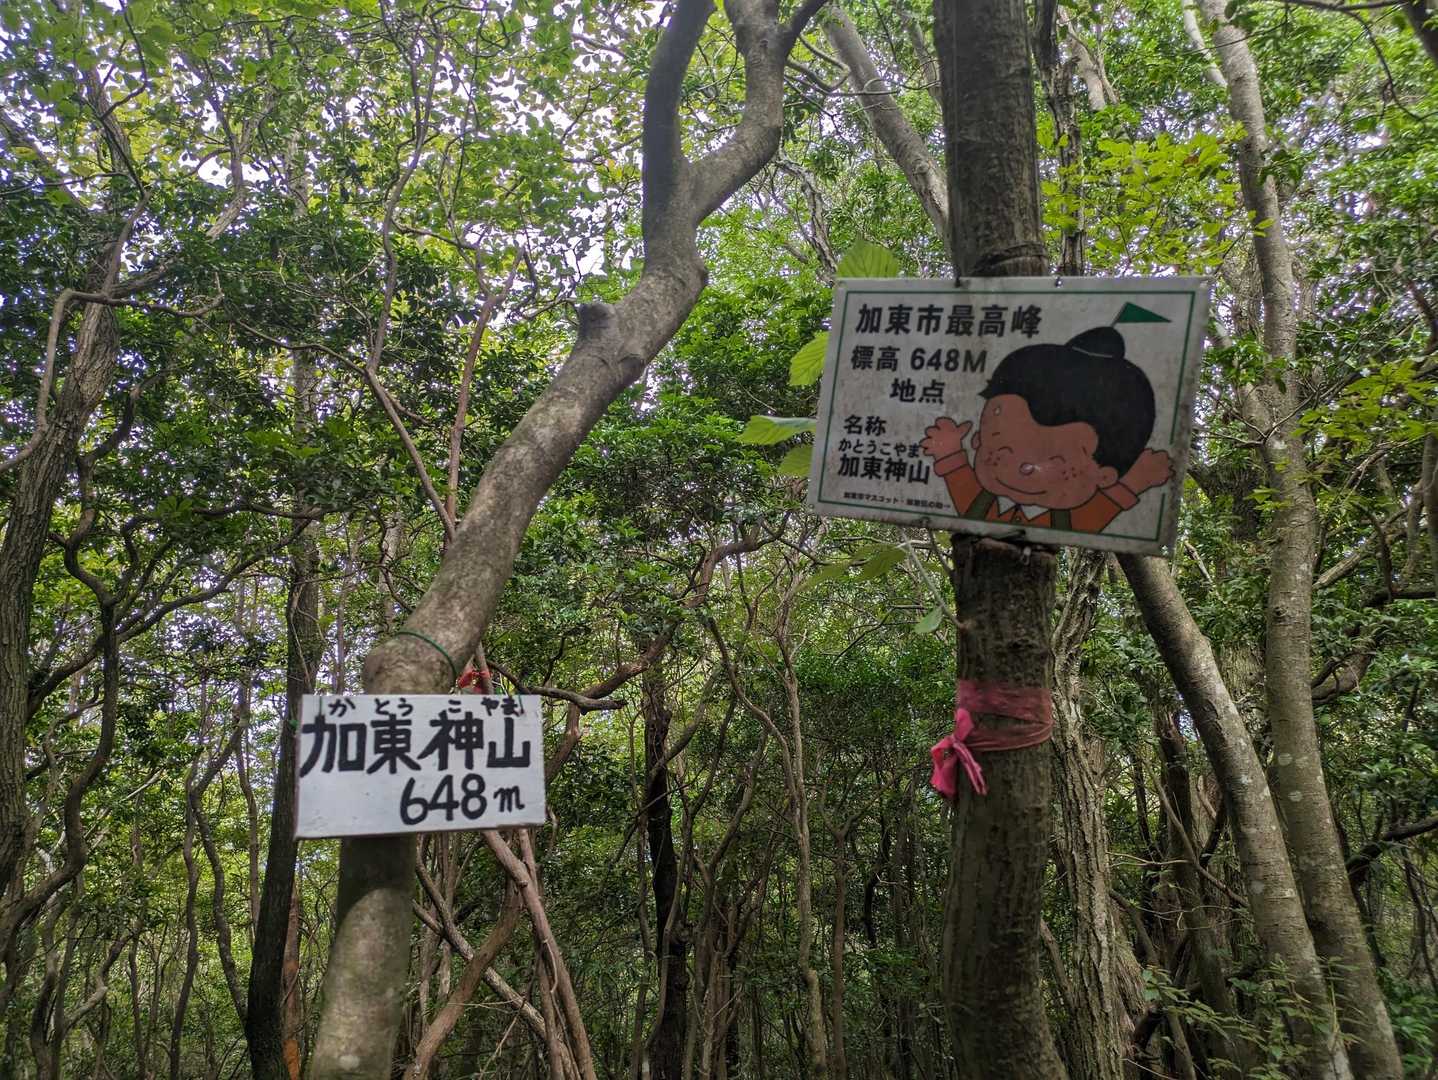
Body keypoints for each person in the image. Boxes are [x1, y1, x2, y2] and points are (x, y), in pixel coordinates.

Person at [920, 325, 1173, 533]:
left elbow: (1100, 510)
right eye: (1002, 445)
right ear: (978, 439)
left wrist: (1135, 482)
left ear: (1104, 476)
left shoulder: (1067, 522)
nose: (1025, 467)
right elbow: (962, 484)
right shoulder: (980, 502)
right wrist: (949, 449)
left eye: (1056, 459)